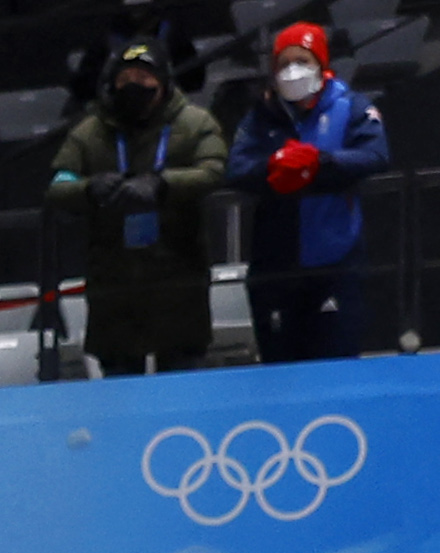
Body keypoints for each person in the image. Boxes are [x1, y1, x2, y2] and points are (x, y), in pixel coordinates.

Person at [48, 40, 224, 377]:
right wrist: (89, 188)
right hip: (114, 288)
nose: (135, 86)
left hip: (178, 281)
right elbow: (58, 185)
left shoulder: (194, 122)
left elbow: (213, 170)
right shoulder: (90, 130)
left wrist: (163, 185)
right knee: (119, 399)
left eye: (144, 77)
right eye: (125, 77)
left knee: (182, 392)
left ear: (164, 81)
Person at [230, 23, 391, 366]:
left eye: (301, 60)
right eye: (284, 63)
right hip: (275, 265)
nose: (292, 71)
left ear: (321, 64)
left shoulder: (350, 106)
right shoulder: (261, 115)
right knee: (279, 370)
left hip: (335, 261)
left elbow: (376, 155)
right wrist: (274, 168)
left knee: (337, 366)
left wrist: (320, 163)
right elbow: (237, 168)